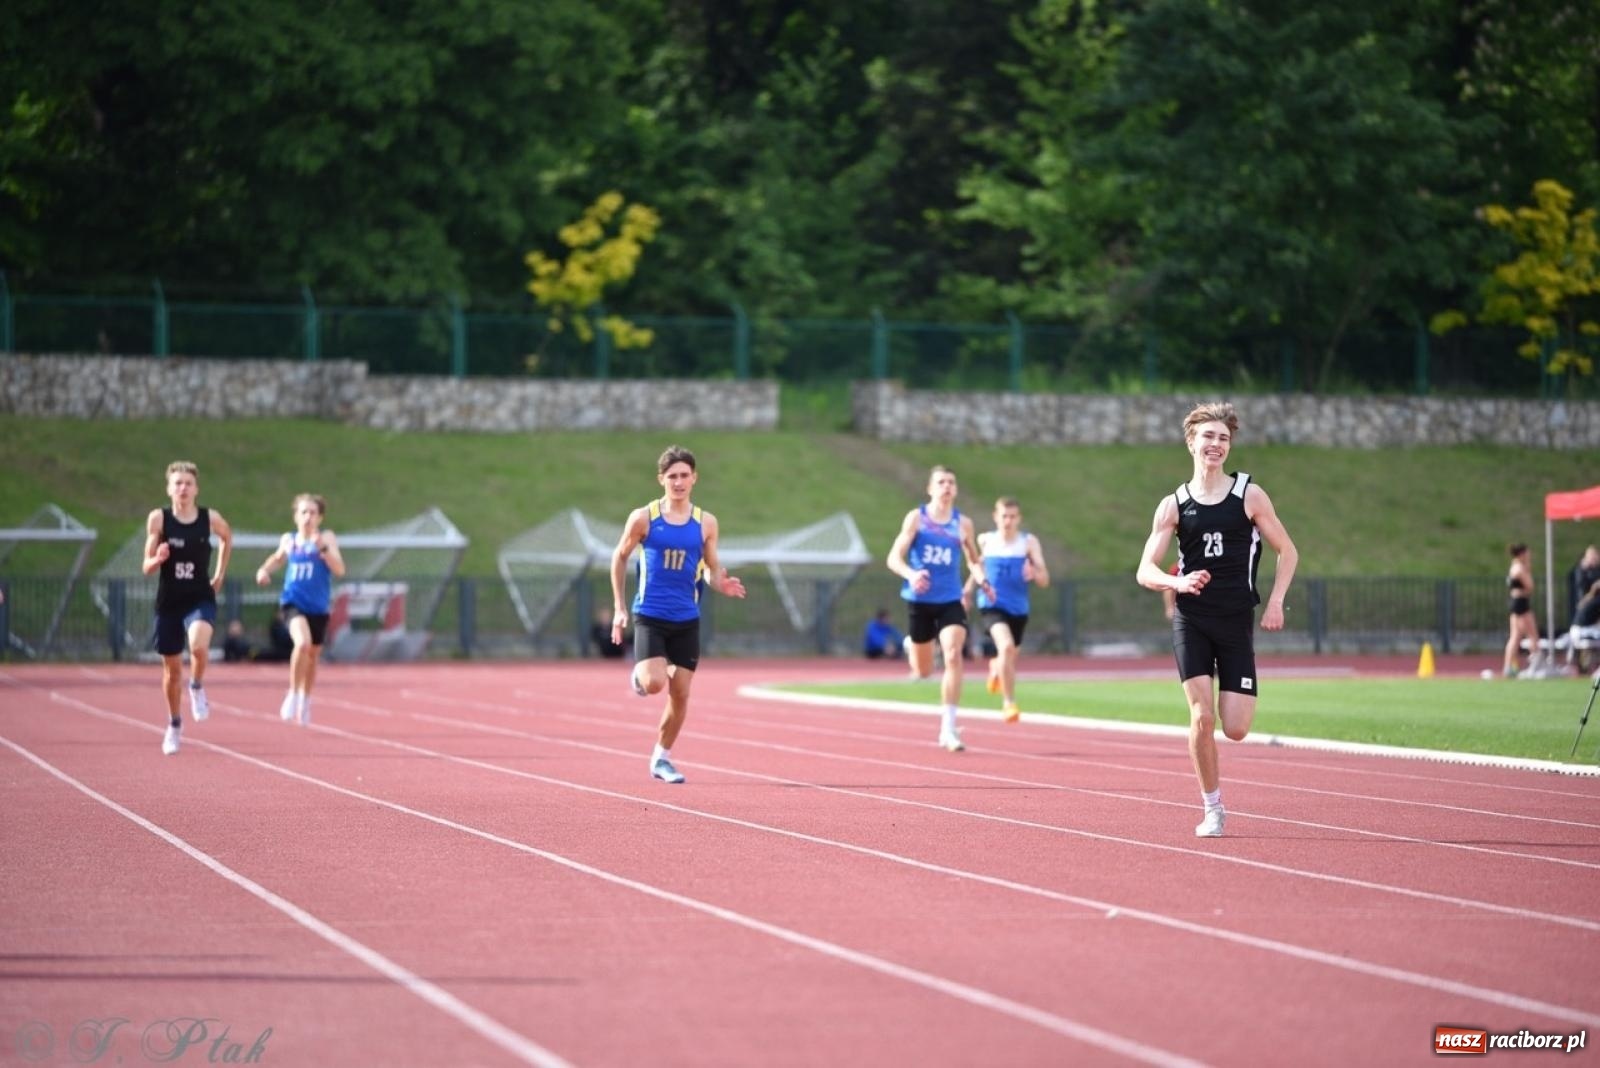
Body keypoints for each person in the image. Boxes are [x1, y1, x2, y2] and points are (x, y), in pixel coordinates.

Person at [1135, 402, 1298, 838]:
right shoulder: (1173, 505)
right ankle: (1213, 808)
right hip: (1192, 619)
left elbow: (1289, 551)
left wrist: (1276, 601)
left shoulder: (1249, 495)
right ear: (1192, 442)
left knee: (1238, 728)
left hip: (1235, 620)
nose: (1216, 445)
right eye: (1208, 437)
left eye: (1223, 438)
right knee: (1201, 718)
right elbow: (1145, 569)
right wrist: (1180, 582)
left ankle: (1216, 794)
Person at [609, 445, 747, 784]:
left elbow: (713, 568)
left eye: (685, 475)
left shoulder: (706, 523)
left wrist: (722, 584)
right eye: (673, 476)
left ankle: (661, 757)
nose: (679, 481)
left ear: (694, 478)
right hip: (650, 614)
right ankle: (640, 677)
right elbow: (620, 556)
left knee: (681, 692)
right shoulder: (644, 518)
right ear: (661, 480)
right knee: (655, 683)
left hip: (687, 617)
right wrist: (619, 608)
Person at [887, 464, 990, 752]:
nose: (947, 487)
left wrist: (981, 580)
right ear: (930, 489)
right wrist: (911, 574)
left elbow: (973, 560)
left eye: (951, 482)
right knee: (923, 671)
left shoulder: (963, 524)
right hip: (920, 601)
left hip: (950, 600)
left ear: (955, 490)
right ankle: (914, 647)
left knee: (954, 653)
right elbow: (893, 557)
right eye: (941, 482)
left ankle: (949, 728)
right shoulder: (916, 519)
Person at [141, 461, 233, 756]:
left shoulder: (209, 518)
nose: (183, 488)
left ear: (197, 489)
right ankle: (174, 723)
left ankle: (196, 685)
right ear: (169, 488)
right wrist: (158, 558)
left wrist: (219, 575)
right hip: (169, 601)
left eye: (188, 483)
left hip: (198, 597)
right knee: (171, 671)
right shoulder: (159, 520)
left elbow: (227, 538)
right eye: (177, 483)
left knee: (197, 645)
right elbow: (146, 567)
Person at [255, 493, 345, 725]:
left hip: (318, 607)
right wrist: (264, 571)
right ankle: (293, 694)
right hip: (292, 603)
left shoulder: (326, 538)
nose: (308, 517)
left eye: (313, 513)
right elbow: (277, 559)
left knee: (313, 656)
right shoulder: (290, 540)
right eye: (304, 512)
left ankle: (305, 699)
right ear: (296, 516)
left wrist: (322, 549)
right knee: (302, 643)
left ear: (320, 517)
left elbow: (339, 569)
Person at [966, 497, 1050, 723]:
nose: (1008, 521)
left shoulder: (1028, 543)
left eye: (1012, 517)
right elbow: (977, 566)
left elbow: (1044, 579)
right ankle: (1009, 703)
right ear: (996, 517)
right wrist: (967, 591)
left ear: (1019, 519)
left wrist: (1034, 572)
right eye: (1004, 516)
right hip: (991, 605)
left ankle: (995, 668)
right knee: (1006, 646)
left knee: (1009, 656)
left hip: (1018, 609)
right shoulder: (986, 540)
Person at [1503, 542, 1538, 678]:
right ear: (1522, 554)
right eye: (1528, 553)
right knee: (1532, 635)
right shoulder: (1519, 568)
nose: (1529, 555)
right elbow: (1530, 586)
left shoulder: (1514, 566)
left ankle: (1507, 667)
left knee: (1515, 636)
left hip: (1516, 602)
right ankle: (1535, 665)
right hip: (1521, 603)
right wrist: (1528, 568)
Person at [1570, 545, 1600, 626]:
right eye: (1591, 556)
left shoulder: (1596, 569)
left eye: (1596, 555)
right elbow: (1582, 601)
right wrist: (1594, 587)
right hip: (1586, 602)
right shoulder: (1581, 571)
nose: (1594, 558)